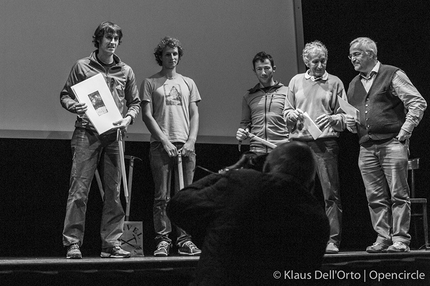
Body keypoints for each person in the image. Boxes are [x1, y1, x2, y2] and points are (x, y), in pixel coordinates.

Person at [167, 141, 330, 286]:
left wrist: (229, 172)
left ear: (266, 167)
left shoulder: (243, 182)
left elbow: (178, 205)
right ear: (311, 183)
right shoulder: (318, 219)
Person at [60, 21, 140, 259]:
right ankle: (73, 242)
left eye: (116, 39)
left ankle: (111, 244)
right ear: (98, 40)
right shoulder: (82, 66)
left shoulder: (125, 70)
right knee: (79, 190)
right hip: (87, 133)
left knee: (114, 192)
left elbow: (134, 103)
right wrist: (76, 105)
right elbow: (65, 95)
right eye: (108, 38)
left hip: (114, 135)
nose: (112, 42)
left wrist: (128, 118)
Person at [345, 37, 427, 253]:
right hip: (366, 146)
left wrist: (405, 131)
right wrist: (350, 123)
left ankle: (400, 239)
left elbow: (417, 102)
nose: (352, 58)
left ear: (371, 53)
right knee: (374, 196)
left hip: (391, 143)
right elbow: (355, 118)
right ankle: (383, 237)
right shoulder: (353, 84)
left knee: (399, 194)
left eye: (356, 53)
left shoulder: (392, 74)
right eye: (351, 54)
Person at [141, 36, 201, 256]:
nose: (172, 58)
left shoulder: (188, 83)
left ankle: (185, 240)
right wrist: (164, 141)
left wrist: (191, 141)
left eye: (175, 54)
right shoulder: (150, 82)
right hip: (160, 146)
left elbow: (195, 114)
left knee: (184, 196)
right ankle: (163, 240)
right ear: (161, 57)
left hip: (186, 146)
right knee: (162, 196)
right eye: (168, 54)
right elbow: (147, 116)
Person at [284, 40, 346, 254]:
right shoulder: (295, 81)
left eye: (323, 61)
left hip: (325, 144)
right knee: (298, 193)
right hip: (299, 145)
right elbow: (287, 111)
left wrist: (334, 118)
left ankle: (332, 240)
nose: (320, 66)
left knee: (330, 193)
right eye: (316, 61)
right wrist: (290, 115)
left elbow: (345, 116)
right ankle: (301, 239)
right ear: (306, 62)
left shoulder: (335, 82)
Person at [235, 51, 289, 155]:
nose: (263, 73)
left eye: (267, 68)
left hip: (281, 150)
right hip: (257, 151)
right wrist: (242, 132)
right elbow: (245, 124)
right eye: (259, 69)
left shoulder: (287, 92)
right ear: (254, 71)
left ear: (273, 69)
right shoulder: (248, 96)